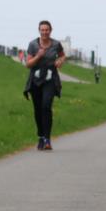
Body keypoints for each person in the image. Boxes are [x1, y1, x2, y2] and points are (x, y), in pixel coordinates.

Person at [24, 20, 66, 150]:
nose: (44, 32)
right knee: (37, 109)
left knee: (46, 106)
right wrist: (38, 56)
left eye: (46, 30)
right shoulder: (33, 45)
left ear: (50, 30)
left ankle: (47, 139)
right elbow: (28, 64)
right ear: (39, 31)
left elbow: (63, 56)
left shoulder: (56, 44)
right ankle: (41, 137)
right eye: (42, 30)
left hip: (50, 79)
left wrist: (60, 61)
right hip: (36, 79)